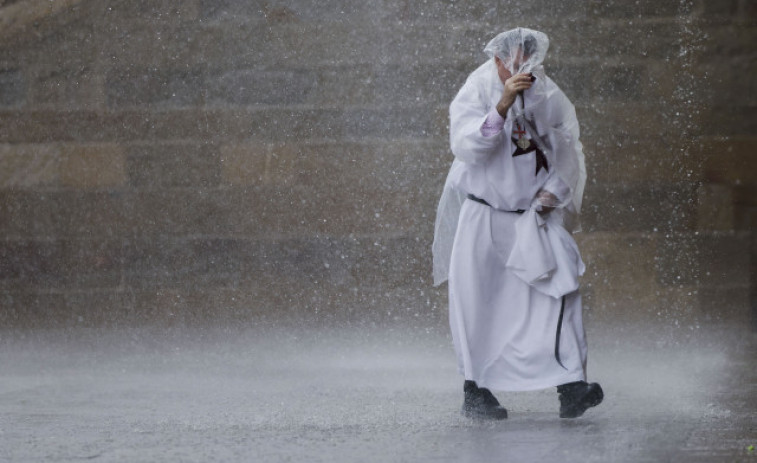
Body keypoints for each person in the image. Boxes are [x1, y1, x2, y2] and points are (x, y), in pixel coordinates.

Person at [432, 27, 603, 419]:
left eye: (526, 61)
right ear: (497, 60)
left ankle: (571, 385)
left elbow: (566, 147)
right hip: (484, 216)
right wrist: (504, 102)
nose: (519, 68)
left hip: (533, 217)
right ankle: (476, 391)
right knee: (479, 303)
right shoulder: (476, 88)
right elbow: (467, 147)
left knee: (560, 290)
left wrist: (553, 193)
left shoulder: (546, 93)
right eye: (511, 61)